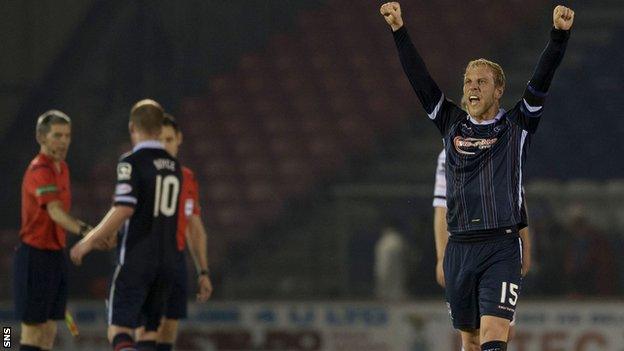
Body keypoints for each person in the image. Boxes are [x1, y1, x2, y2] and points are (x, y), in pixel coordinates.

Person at [380, 3, 573, 350]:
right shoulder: (451, 123)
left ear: (498, 90)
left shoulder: (516, 127)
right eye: (468, 80)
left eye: (482, 81)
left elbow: (542, 80)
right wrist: (399, 32)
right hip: (460, 247)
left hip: (500, 246)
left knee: (494, 334)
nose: (473, 86)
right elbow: (420, 80)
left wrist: (558, 37)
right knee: (469, 340)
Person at [70, 99, 182, 351]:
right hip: (165, 262)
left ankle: (6, 342)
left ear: (132, 127)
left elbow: (124, 208)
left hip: (136, 258)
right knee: (147, 333)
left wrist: (88, 241)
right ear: (159, 126)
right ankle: (8, 341)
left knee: (118, 330)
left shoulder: (131, 162)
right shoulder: (174, 166)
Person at [432, 150, 532, 348]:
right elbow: (441, 205)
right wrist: (441, 256)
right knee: (471, 337)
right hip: (463, 250)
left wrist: (526, 250)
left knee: (503, 329)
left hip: (501, 246)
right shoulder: (449, 152)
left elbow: (518, 200)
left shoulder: (506, 144)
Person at [14, 110, 93, 351]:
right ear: (41, 137)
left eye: (67, 135)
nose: (64, 141)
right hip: (35, 255)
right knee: (31, 331)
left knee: (49, 330)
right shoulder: (40, 170)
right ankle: (5, 344)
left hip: (54, 255)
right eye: (57, 135)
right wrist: (86, 231)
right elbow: (55, 211)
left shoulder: (62, 168)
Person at [134, 114, 214, 351]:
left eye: (169, 139)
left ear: (179, 139)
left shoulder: (187, 177)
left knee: (168, 330)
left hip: (175, 258)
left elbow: (194, 227)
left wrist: (203, 270)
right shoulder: (141, 173)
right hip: (148, 258)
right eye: (159, 140)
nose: (164, 146)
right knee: (148, 330)